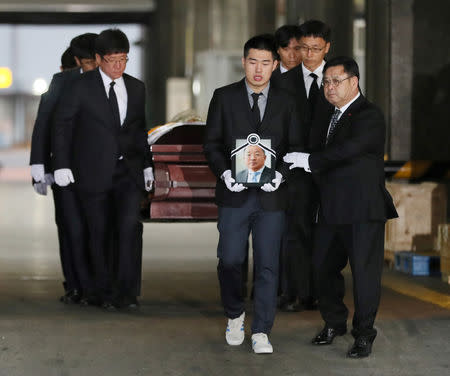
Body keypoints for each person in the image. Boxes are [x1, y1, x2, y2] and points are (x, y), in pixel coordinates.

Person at [283, 56, 398, 358]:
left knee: (364, 275)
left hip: (362, 210)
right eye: (326, 82)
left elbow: (349, 150)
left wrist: (310, 161)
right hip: (330, 209)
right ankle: (334, 322)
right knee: (321, 267)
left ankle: (364, 335)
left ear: (354, 82)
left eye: (336, 81)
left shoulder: (369, 115)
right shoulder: (327, 115)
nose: (329, 87)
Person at [203, 34, 302, 354]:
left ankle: (261, 329)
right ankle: (234, 315)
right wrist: (225, 173)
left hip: (272, 197)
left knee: (268, 264)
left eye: (265, 63)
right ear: (244, 62)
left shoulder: (288, 102)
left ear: (275, 65)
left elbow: (296, 146)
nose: (258, 69)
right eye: (252, 62)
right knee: (230, 259)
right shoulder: (223, 97)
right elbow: (212, 144)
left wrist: (281, 176)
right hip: (234, 195)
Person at [52, 29, 154, 311]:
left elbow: (138, 129)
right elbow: (63, 126)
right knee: (98, 232)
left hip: (128, 172)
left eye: (123, 60)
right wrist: (60, 164)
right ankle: (104, 293)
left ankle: (128, 292)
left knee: (129, 228)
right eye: (112, 60)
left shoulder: (136, 87)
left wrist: (147, 165)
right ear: (98, 59)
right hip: (92, 171)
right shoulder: (79, 87)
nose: (118, 66)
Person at [29, 33, 98, 304]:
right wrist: (40, 165)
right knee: (71, 227)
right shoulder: (62, 82)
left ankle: (94, 283)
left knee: (92, 228)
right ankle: (76, 284)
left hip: (98, 168)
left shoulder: (114, 83)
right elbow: (43, 125)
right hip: (63, 169)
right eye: (90, 61)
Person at [275, 19, 333, 312]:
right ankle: (298, 292)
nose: (308, 55)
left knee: (327, 232)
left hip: (329, 170)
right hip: (295, 170)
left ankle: (324, 292)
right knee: (296, 230)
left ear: (327, 48)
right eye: (303, 48)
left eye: (315, 49)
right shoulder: (282, 82)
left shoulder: (337, 79)